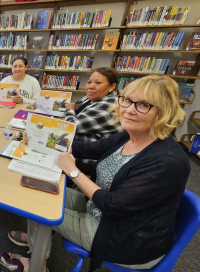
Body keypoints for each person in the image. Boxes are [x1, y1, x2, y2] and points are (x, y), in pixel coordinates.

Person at [12, 75, 190, 272]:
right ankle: (37, 246)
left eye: (144, 105)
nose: (129, 109)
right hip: (101, 211)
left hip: (125, 238)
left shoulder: (166, 161)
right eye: (128, 100)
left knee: (38, 209)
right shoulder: (130, 135)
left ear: (164, 112)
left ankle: (38, 267)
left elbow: (112, 205)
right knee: (35, 191)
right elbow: (86, 149)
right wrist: (39, 140)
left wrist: (72, 170)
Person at [33, 67, 123, 175]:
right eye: (89, 82)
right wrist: (43, 106)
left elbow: (71, 126)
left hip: (87, 159)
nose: (91, 86)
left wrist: (70, 109)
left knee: (36, 156)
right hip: (73, 146)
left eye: (98, 83)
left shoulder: (109, 106)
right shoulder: (91, 97)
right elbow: (71, 112)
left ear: (112, 86)